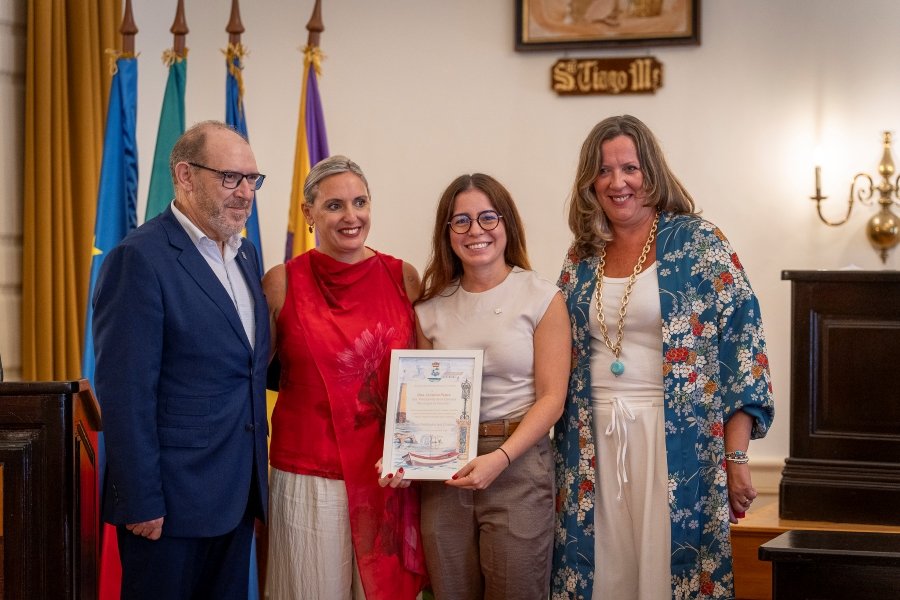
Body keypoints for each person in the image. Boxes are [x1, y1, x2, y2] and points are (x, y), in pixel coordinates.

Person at [551, 115, 775, 600]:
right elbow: (555, 352)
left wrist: (736, 456)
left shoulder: (698, 244)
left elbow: (744, 352)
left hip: (679, 444)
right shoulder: (581, 254)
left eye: (629, 168)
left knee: (669, 574)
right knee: (600, 572)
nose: (618, 182)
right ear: (590, 182)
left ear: (650, 172)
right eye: (604, 171)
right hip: (591, 448)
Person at [92, 120, 270, 599]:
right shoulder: (140, 259)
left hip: (236, 494)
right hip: (168, 506)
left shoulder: (246, 255)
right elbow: (125, 393)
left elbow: (247, 367)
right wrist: (140, 499)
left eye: (252, 179)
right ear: (185, 175)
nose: (246, 193)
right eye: (230, 177)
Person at [263, 155, 427, 599]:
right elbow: (246, 377)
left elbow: (426, 380)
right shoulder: (282, 282)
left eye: (360, 202)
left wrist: (417, 454)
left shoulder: (403, 277)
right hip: (308, 478)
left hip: (387, 475)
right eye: (335, 206)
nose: (351, 216)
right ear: (308, 212)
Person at [413, 173, 571, 599]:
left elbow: (553, 399)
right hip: (445, 472)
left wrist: (500, 458)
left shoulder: (542, 298)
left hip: (518, 466)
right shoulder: (429, 309)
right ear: (447, 233)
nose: (475, 231)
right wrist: (404, 455)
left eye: (487, 217)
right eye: (460, 221)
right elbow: (422, 404)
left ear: (506, 224)